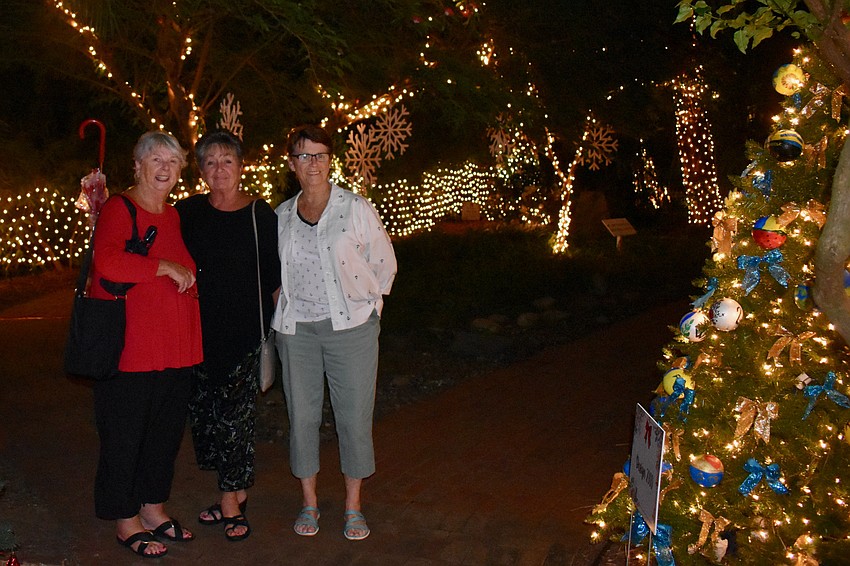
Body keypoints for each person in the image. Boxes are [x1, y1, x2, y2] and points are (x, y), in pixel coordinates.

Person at [272, 124, 397, 541]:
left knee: (353, 419)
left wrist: (371, 308)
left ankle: (353, 506)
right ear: (292, 163)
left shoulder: (355, 208)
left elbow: (384, 263)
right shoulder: (282, 215)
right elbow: (273, 271)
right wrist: (279, 302)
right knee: (302, 418)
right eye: (304, 156)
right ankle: (308, 502)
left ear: (331, 160)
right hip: (298, 332)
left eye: (320, 155)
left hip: (352, 330)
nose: (313, 164)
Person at [90, 131, 202, 558]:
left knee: (164, 436)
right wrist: (163, 267)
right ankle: (125, 519)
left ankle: (154, 508)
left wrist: (186, 280)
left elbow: (183, 271)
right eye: (156, 159)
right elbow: (108, 261)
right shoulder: (120, 207)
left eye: (173, 163)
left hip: (177, 349)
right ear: (137, 165)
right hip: (132, 350)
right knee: (125, 436)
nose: (164, 169)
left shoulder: (172, 216)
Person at [175, 130, 281, 542]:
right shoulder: (188, 212)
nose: (220, 169)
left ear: (241, 167)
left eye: (227, 161)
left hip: (243, 333)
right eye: (211, 162)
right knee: (206, 419)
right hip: (196, 334)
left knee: (234, 419)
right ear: (201, 170)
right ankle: (234, 490)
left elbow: (274, 278)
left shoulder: (259, 214)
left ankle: (231, 502)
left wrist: (279, 333)